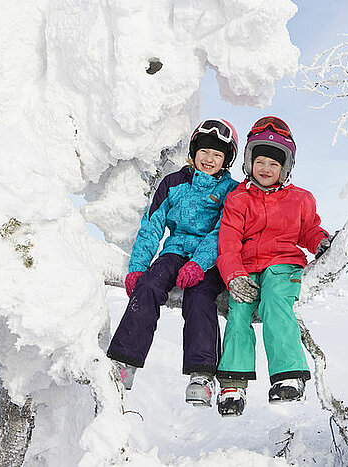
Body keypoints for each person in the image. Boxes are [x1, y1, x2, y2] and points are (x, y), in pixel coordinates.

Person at [106, 118, 240, 408]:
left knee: (200, 296)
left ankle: (202, 375)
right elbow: (152, 225)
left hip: (209, 260)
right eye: (204, 151)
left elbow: (223, 231)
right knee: (150, 284)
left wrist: (201, 264)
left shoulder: (232, 190)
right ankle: (124, 362)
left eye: (217, 155)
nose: (209, 159)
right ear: (193, 153)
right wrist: (137, 268)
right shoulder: (174, 183)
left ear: (226, 161)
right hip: (176, 250)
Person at [214, 116, 331, 416]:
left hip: (282, 265)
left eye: (274, 164)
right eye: (261, 161)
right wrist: (234, 275)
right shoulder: (238, 199)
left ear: (285, 167)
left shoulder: (300, 199)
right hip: (246, 268)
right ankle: (232, 384)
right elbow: (227, 242)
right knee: (238, 311)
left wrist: (320, 242)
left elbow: (309, 230)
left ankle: (288, 375)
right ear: (250, 161)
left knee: (276, 303)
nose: (266, 169)